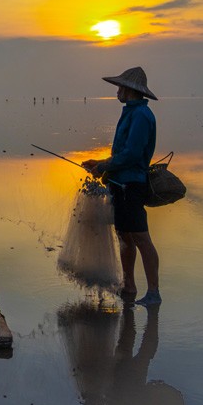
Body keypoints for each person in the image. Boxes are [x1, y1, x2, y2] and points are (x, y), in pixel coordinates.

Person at [82, 67, 161, 307]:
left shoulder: (141, 116)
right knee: (125, 236)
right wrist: (101, 163)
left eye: (120, 88)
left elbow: (131, 154)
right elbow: (121, 153)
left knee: (140, 237)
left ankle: (154, 293)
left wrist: (104, 166)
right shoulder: (130, 113)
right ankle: (129, 285)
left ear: (130, 90)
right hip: (120, 182)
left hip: (131, 185)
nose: (117, 92)